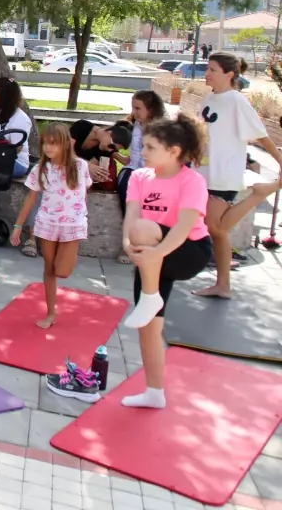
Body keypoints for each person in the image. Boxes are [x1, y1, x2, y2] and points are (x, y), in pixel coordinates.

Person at [119, 116, 215, 409]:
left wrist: (152, 252)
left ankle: (150, 298)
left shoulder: (193, 181)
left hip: (188, 250)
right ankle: (154, 392)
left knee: (147, 230)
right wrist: (129, 247)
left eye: (150, 147)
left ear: (173, 151)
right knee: (148, 328)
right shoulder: (138, 177)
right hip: (151, 253)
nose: (142, 151)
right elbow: (131, 217)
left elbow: (183, 228)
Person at [193, 53, 282, 299]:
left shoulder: (237, 102)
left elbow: (262, 135)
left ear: (229, 74)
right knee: (218, 231)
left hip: (224, 172)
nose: (207, 73)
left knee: (216, 227)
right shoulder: (209, 99)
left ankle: (258, 194)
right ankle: (223, 286)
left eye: (212, 69)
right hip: (204, 172)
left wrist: (280, 162)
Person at [9, 123, 92, 327]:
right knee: (49, 268)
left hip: (73, 225)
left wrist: (80, 216)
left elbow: (84, 192)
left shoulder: (80, 166)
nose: (48, 147)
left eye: (53, 143)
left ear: (64, 144)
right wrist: (18, 227)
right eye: (45, 142)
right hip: (47, 224)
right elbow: (30, 198)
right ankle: (51, 313)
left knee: (61, 271)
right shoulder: (41, 169)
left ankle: (67, 258)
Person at [114, 90, 167, 216]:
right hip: (132, 169)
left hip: (156, 173)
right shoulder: (130, 125)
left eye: (138, 108)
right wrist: (117, 155)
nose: (133, 112)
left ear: (151, 109)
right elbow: (106, 142)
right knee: (126, 188)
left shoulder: (163, 129)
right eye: (132, 107)